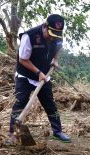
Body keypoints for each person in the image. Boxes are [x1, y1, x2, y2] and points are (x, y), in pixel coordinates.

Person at [8, 14, 71, 144]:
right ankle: (13, 135)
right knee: (20, 104)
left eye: (56, 35)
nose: (53, 37)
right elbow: (22, 59)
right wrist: (38, 72)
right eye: (51, 33)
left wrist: (55, 59)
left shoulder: (57, 36)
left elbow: (58, 46)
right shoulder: (29, 36)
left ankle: (57, 131)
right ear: (44, 27)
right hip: (25, 76)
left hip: (44, 75)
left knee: (50, 104)